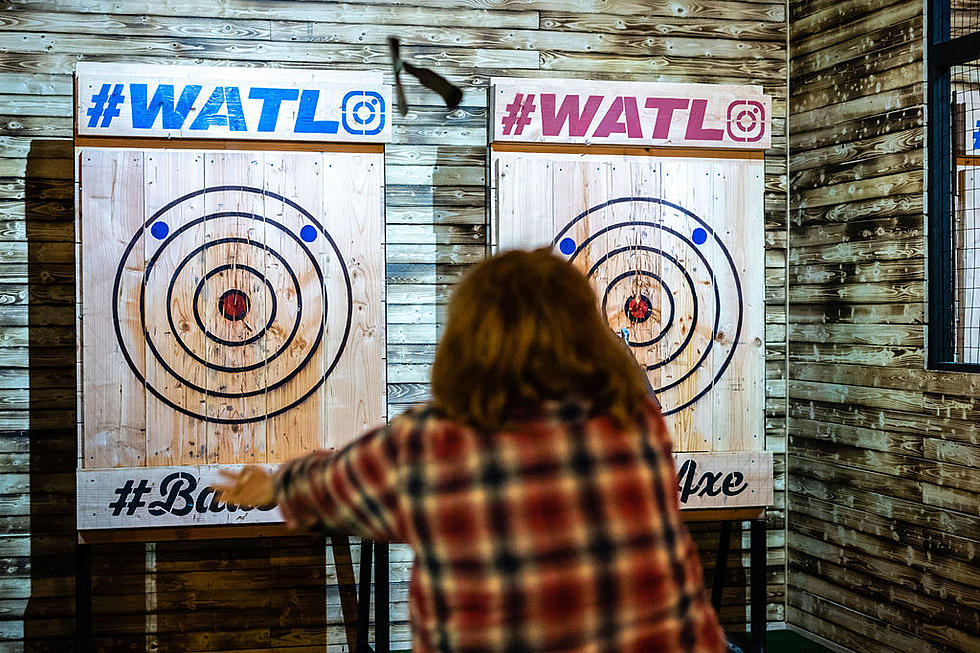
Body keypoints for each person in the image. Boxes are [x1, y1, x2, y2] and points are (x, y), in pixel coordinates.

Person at [215, 248, 725, 653]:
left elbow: (327, 490)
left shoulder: (430, 444)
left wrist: (274, 485)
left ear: (468, 341)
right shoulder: (635, 421)